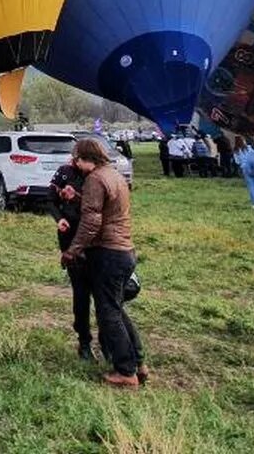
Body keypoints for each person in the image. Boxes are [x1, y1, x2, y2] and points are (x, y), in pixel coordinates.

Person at [60, 138, 145, 387]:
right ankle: (139, 362)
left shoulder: (95, 179)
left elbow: (92, 222)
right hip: (124, 250)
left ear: (86, 158)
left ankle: (126, 371)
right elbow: (105, 208)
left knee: (108, 313)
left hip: (108, 253)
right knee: (116, 308)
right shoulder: (113, 174)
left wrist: (72, 251)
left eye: (76, 158)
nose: (74, 163)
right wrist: (77, 197)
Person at [49, 152, 92, 360]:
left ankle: (109, 341)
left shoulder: (99, 176)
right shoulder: (65, 173)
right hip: (71, 236)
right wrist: (59, 218)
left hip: (96, 238)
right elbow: (49, 199)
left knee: (103, 293)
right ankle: (84, 341)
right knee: (81, 290)